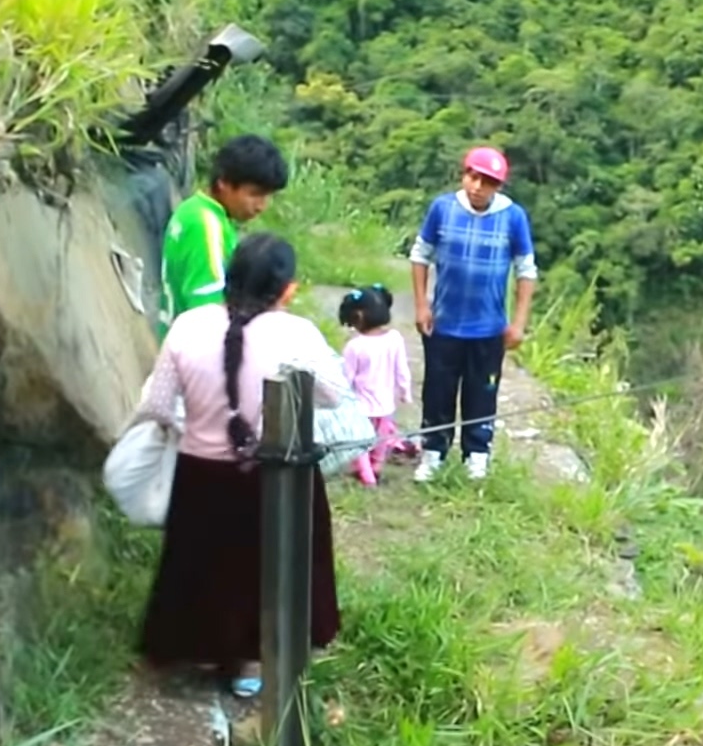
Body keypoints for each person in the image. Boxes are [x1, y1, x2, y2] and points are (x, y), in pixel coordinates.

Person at [131, 232, 346, 698]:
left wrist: (196, 429)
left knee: (202, 562)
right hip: (276, 477)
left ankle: (197, 648)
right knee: (266, 568)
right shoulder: (297, 334)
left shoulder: (188, 326)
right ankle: (252, 662)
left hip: (200, 475)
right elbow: (333, 393)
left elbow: (156, 403)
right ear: (286, 288)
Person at [409, 146, 538, 483]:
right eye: (473, 176)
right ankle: (433, 452)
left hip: (488, 328)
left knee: (482, 392)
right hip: (445, 323)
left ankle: (476, 454)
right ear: (463, 174)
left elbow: (526, 270)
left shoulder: (513, 217)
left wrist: (519, 323)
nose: (478, 186)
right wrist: (422, 304)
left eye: (488, 182)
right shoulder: (443, 208)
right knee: (438, 389)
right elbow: (420, 255)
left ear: (499, 186)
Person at [158, 134, 289, 339]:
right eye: (255, 194)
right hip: (194, 354)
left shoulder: (193, 209)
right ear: (223, 183)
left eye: (267, 196)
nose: (261, 206)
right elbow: (208, 314)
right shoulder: (207, 228)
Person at [338, 285, 416, 486]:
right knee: (381, 440)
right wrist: (405, 391)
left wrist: (340, 401)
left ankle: (366, 475)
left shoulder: (355, 347)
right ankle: (376, 466)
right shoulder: (394, 339)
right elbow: (401, 369)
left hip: (361, 406)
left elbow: (346, 378)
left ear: (359, 317)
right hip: (385, 405)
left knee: (359, 442)